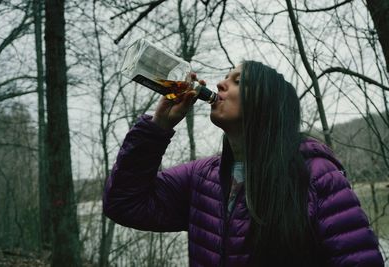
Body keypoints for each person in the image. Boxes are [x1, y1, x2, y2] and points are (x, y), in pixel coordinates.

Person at [103, 60, 384, 266]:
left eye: (238, 80)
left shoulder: (315, 175)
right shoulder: (202, 177)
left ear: (268, 103)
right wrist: (157, 127)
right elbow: (124, 205)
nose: (220, 84)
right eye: (226, 77)